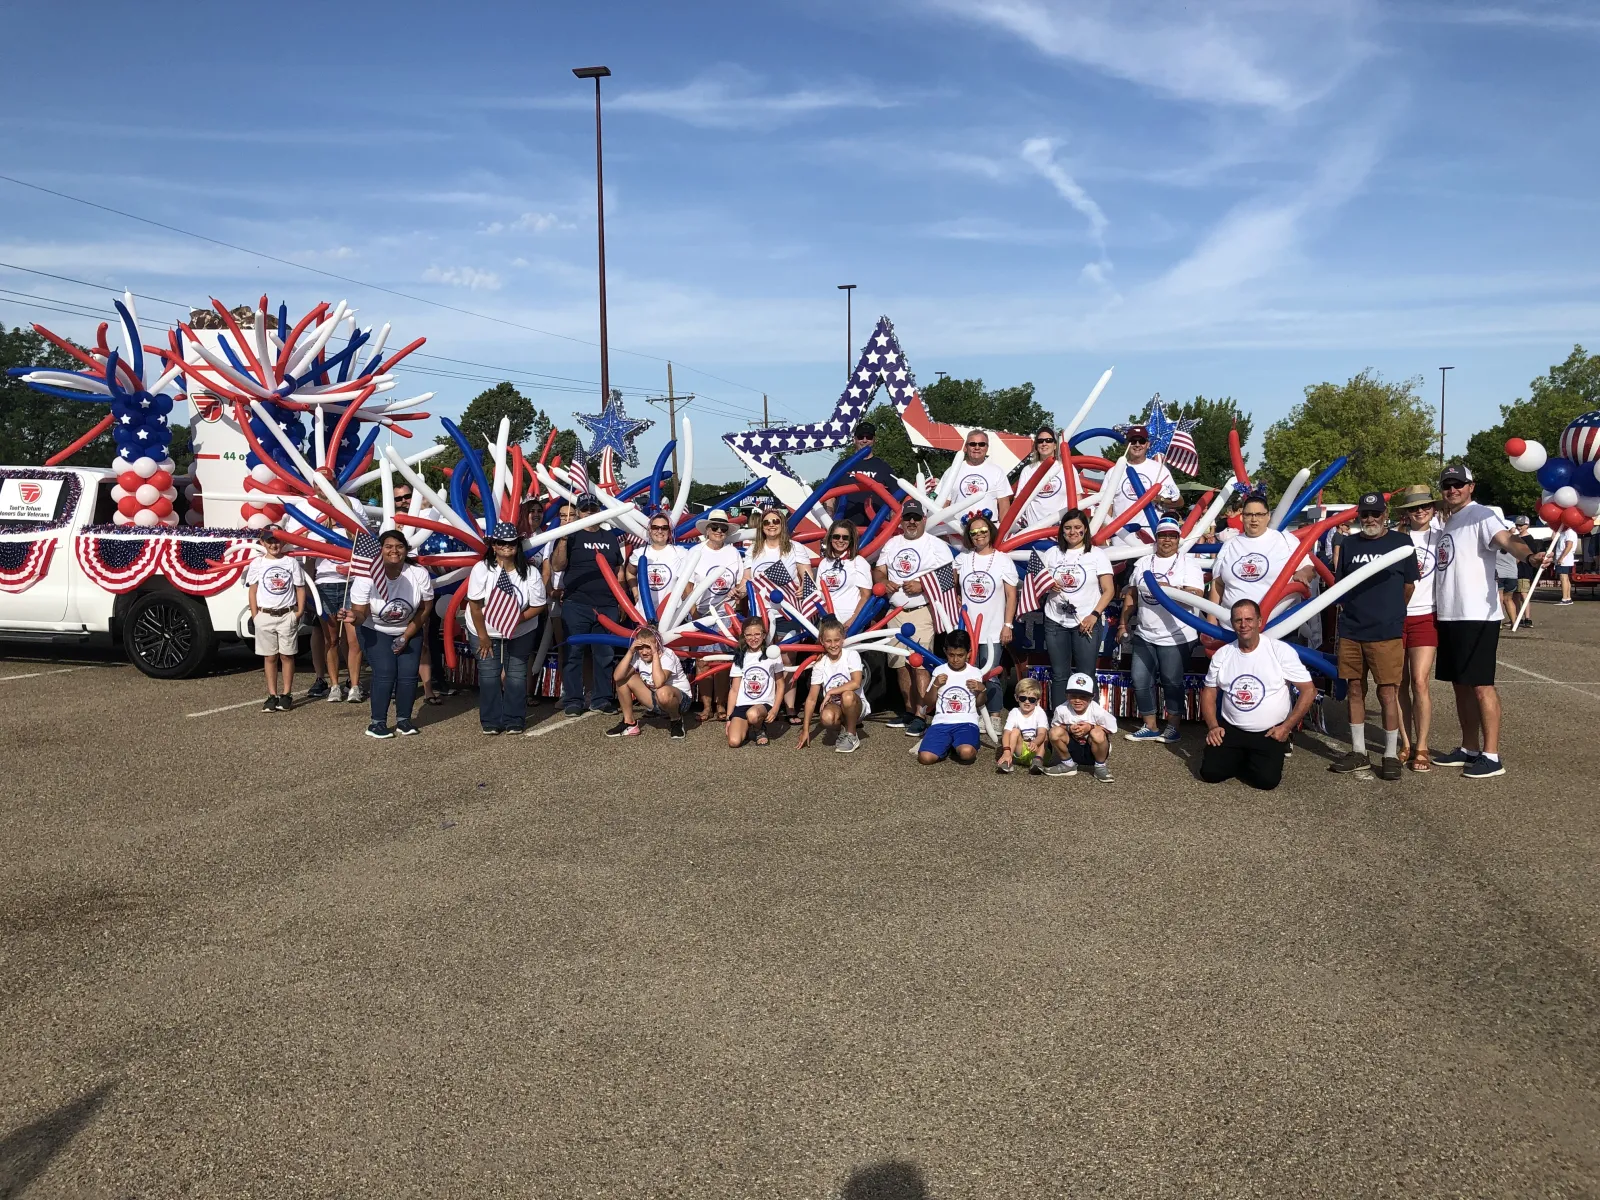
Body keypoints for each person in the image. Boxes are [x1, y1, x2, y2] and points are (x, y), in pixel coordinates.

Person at [1432, 464, 1544, 777]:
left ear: (1471, 486)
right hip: (1450, 614)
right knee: (1460, 686)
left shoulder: (1482, 514)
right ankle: (1469, 748)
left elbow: (1507, 540)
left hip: (1476, 615)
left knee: (1482, 686)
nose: (1452, 489)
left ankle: (1491, 755)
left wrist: (1530, 557)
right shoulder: (1450, 521)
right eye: (1447, 484)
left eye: (1458, 484)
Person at [1329, 493, 1419, 780]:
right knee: (1355, 689)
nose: (1370, 519)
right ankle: (1359, 752)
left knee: (1387, 692)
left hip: (1386, 631)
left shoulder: (1401, 543)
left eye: (1376, 514)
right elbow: (1341, 585)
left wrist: (1390, 612)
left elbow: (1408, 586)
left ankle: (1390, 754)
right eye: (1365, 514)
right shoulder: (1350, 543)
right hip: (1352, 629)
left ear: (1385, 513)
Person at [1199, 599, 1315, 790]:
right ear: (1232, 623)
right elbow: (1210, 691)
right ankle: (1241, 756)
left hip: (1269, 731)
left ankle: (1263, 753)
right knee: (1209, 773)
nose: (1244, 625)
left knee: (1267, 781)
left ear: (1259, 621)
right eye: (1238, 620)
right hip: (1232, 728)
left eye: (1249, 619)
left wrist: (1286, 727)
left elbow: (1309, 690)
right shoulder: (1224, 654)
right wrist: (1213, 726)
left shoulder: (1280, 651)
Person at [872, 498, 954, 735]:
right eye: (907, 518)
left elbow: (951, 577)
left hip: (921, 612)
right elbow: (880, 570)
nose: (911, 522)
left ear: (924, 520)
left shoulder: (935, 545)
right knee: (900, 664)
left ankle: (921, 714)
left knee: (918, 664)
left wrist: (923, 586)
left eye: (916, 518)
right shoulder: (893, 543)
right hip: (895, 613)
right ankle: (909, 711)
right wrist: (883, 581)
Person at [1119, 515, 1202, 743]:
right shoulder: (1144, 562)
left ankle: (1173, 726)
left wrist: (1171, 590)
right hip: (1145, 633)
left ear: (1178, 539)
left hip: (1176, 635)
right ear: (1156, 538)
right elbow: (1132, 595)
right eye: (1163, 535)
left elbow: (1197, 595)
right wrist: (1123, 622)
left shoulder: (1189, 563)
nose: (1167, 540)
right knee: (1140, 678)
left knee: (1171, 681)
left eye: (1172, 536)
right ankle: (1150, 725)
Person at [345, 529, 434, 739]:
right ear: (380, 550)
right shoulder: (366, 576)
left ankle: (404, 720)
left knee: (408, 675)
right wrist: (352, 617)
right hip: (375, 628)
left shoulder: (418, 573)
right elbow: (361, 613)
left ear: (406, 550)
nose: (394, 551)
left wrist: (406, 636)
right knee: (385, 672)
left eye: (399, 546)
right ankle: (377, 723)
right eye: (388, 546)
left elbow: (425, 608)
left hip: (409, 627)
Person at [466, 522, 548, 736]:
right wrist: (483, 637)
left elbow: (539, 605)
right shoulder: (482, 568)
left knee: (516, 675)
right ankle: (491, 720)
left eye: (511, 542)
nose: (506, 546)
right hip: (483, 630)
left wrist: (514, 619)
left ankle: (514, 720)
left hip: (520, 631)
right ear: (493, 545)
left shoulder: (530, 572)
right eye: (501, 542)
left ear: (517, 544)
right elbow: (475, 605)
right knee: (489, 676)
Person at [551, 494, 626, 716]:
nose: (589, 513)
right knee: (574, 652)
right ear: (579, 513)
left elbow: (618, 570)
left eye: (593, 509)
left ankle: (601, 698)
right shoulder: (569, 536)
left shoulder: (610, 537)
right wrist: (563, 539)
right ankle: (573, 699)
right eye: (585, 510)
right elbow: (557, 566)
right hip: (577, 603)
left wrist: (621, 600)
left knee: (604, 653)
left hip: (607, 604)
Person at [1038, 508, 1114, 710]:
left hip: (1086, 622)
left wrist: (1094, 615)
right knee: (1059, 674)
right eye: (1068, 528)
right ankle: (1059, 719)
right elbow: (1037, 583)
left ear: (1086, 530)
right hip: (1055, 621)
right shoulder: (1051, 554)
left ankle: (1091, 720)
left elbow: (1109, 590)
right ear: (1061, 531)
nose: (1072, 532)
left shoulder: (1097, 555)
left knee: (1086, 673)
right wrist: (1047, 585)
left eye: (1078, 528)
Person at [746, 505, 816, 724]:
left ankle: (790, 707)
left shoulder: (795, 548)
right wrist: (736, 590)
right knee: (763, 658)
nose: (771, 525)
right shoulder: (753, 550)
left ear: (782, 524)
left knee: (787, 658)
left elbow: (809, 579)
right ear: (761, 526)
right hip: (760, 613)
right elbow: (746, 580)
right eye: (767, 522)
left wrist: (802, 586)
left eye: (775, 521)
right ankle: (765, 703)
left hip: (787, 612)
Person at [1392, 484, 1441, 771]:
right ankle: (1405, 742)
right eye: (1414, 508)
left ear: (1433, 508)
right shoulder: (1397, 539)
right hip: (1397, 616)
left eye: (1424, 506)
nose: (1420, 511)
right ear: (1406, 513)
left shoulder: (1442, 537)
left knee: (1420, 681)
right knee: (1398, 683)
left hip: (1426, 614)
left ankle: (1422, 745)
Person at [953, 513, 1017, 717]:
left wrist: (1008, 625)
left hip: (992, 628)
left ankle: (994, 715)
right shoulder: (962, 559)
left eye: (983, 531)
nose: (979, 535)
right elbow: (951, 588)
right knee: (965, 673)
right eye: (974, 532)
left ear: (991, 532)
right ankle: (969, 713)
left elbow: (1011, 595)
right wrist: (956, 600)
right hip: (966, 628)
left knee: (990, 674)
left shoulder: (1003, 560)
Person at [1209, 491, 1314, 613]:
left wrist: (1303, 572)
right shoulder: (1230, 544)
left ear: (1268, 516)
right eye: (1249, 514)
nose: (1254, 519)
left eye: (1259, 514)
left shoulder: (1285, 540)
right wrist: (1211, 622)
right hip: (1232, 625)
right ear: (1242, 517)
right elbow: (1218, 585)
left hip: (1278, 624)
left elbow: (1309, 567)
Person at [684, 508, 744, 720]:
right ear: (707, 530)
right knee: (702, 661)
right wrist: (694, 614)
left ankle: (720, 705)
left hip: (726, 615)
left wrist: (739, 593)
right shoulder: (696, 552)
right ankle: (706, 706)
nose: (719, 531)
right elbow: (687, 586)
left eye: (723, 528)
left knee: (722, 662)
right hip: (701, 613)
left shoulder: (733, 553)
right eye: (715, 527)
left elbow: (739, 582)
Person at [245, 525, 307, 712]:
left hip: (286, 614)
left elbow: (300, 587)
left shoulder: (290, 562)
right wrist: (255, 615)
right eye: (270, 540)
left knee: (287, 655)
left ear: (284, 541)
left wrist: (299, 611)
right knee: (269, 657)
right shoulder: (257, 563)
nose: (274, 544)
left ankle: (286, 694)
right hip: (266, 614)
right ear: (262, 542)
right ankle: (272, 695)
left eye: (277, 540)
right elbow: (253, 589)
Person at [1099, 423, 1180, 543]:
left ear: (1147, 444)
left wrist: (1159, 499)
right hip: (1120, 536)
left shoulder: (1159, 469)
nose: (1137, 444)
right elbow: (1106, 507)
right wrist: (1102, 538)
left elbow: (1179, 501)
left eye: (1141, 441)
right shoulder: (1114, 471)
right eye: (1133, 441)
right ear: (1127, 444)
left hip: (1150, 535)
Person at [606, 624, 690, 739]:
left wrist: (655, 654)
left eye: (648, 647)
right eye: (640, 647)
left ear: (657, 645)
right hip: (657, 699)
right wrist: (630, 652)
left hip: (680, 701)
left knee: (663, 692)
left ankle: (676, 720)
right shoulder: (638, 655)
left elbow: (659, 683)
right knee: (623, 680)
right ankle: (629, 723)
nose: (644, 652)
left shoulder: (667, 655)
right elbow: (617, 677)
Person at [916, 629, 985, 766]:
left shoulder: (974, 672)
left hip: (966, 722)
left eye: (960, 655)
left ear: (968, 653)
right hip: (941, 722)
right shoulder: (939, 671)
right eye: (951, 655)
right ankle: (948, 744)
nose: (955, 660)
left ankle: (957, 744)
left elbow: (980, 703)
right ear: (945, 651)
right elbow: (928, 702)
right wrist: (935, 685)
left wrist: (982, 690)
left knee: (967, 754)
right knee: (925, 758)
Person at [797, 616, 866, 752]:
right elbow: (811, 699)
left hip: (855, 705)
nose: (833, 645)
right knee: (827, 718)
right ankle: (843, 730)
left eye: (837, 640)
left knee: (847, 695)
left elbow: (856, 683)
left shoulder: (851, 655)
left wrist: (831, 691)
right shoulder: (820, 663)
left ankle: (852, 735)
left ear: (843, 639)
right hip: (835, 706)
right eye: (828, 641)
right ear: (822, 641)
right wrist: (806, 729)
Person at [1046, 671, 1117, 782]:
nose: (1078, 700)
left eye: (1083, 696)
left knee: (1097, 733)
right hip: (1073, 748)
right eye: (1073, 696)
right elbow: (1055, 727)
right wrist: (1069, 728)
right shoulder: (1061, 710)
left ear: (1091, 697)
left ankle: (1100, 766)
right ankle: (1068, 764)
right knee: (1054, 732)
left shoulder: (1097, 711)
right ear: (1067, 695)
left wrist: (1090, 727)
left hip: (1092, 750)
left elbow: (1112, 728)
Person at [726, 616, 784, 747]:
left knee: (752, 714)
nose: (753, 638)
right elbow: (734, 689)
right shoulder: (740, 656)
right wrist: (729, 717)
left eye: (757, 634)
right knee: (734, 742)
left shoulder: (772, 654)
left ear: (764, 635)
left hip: (762, 704)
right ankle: (746, 726)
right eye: (749, 635)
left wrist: (775, 709)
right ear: (744, 637)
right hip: (743, 704)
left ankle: (759, 729)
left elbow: (780, 685)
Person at [830, 422, 899, 529]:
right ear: (854, 439)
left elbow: (895, 499)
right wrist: (828, 523)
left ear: (874, 440)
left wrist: (893, 528)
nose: (865, 440)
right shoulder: (841, 466)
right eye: (861, 437)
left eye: (869, 437)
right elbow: (828, 497)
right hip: (845, 531)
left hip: (876, 529)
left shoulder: (884, 467)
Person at [815, 519, 875, 628]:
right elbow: (820, 593)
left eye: (845, 537)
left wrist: (853, 620)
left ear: (851, 540)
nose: (840, 540)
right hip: (828, 621)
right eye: (836, 536)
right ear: (830, 538)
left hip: (851, 621)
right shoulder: (824, 563)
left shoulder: (859, 562)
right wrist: (828, 618)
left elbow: (865, 596)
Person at [1008, 425, 1068, 534]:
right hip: (1034, 531)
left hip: (1061, 530)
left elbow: (1077, 497)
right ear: (1036, 446)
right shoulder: (1028, 470)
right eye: (1040, 441)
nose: (1044, 444)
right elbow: (1018, 501)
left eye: (1048, 440)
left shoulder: (1066, 468)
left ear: (1055, 445)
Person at [628, 511, 687, 622]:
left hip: (671, 616)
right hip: (643, 615)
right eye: (655, 527)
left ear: (669, 531)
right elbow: (630, 572)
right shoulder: (639, 553)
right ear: (650, 530)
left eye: (664, 528)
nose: (660, 531)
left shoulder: (681, 553)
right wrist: (635, 592)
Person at [940, 430, 1012, 519]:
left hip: (987, 529)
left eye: (982, 444)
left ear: (987, 447)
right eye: (972, 444)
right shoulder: (952, 471)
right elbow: (944, 503)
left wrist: (1002, 530)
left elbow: (1003, 503)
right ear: (966, 447)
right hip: (956, 527)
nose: (977, 447)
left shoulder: (997, 472)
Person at [996, 676, 1049, 774]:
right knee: (1014, 731)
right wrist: (1006, 750)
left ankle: (1038, 760)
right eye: (1023, 698)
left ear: (1038, 701)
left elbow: (1041, 734)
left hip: (1037, 749)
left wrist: (1035, 742)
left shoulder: (1040, 712)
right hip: (1021, 749)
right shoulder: (1014, 712)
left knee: (1044, 734)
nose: (1027, 702)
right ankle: (1008, 759)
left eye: (1032, 700)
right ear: (1016, 698)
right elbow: (1006, 733)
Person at [1511, 515, 1538, 627]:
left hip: (1524, 570)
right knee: (1514, 595)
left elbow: (1527, 554)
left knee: (1523, 593)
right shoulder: (1516, 537)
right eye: (1517, 524)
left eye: (1521, 525)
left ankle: (1527, 618)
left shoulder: (1529, 539)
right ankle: (1517, 618)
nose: (1519, 527)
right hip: (1514, 570)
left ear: (1527, 525)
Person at [1496, 541, 1521, 627]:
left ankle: (1499, 623)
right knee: (1508, 599)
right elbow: (1518, 560)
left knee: (1499, 599)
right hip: (1512, 575)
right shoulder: (1514, 549)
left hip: (1499, 575)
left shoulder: (1495, 548)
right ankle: (1514, 622)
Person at [1555, 524, 1578, 604]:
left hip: (1565, 558)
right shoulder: (1564, 532)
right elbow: (1553, 538)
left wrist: (1562, 557)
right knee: (1566, 578)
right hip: (1563, 557)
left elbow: (1569, 546)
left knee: (1563, 577)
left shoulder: (1570, 532)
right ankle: (1568, 597)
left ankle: (1565, 598)